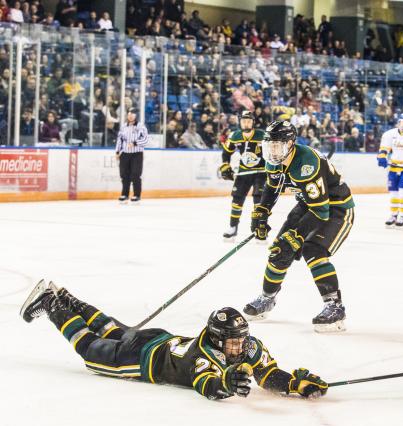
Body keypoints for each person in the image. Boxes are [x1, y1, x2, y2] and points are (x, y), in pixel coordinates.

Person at [19, 280, 327, 401]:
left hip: (157, 339)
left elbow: (268, 372)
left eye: (241, 339)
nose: (240, 346)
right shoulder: (204, 356)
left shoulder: (245, 346)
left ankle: (68, 297)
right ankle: (54, 305)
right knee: (90, 350)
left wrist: (295, 385)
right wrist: (227, 384)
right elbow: (206, 384)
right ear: (218, 340)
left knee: (112, 330)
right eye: (232, 341)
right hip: (140, 360)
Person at [245, 121, 354, 333]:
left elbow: (321, 211)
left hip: (336, 208)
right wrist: (261, 212)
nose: (273, 151)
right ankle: (267, 299)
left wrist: (296, 235)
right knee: (280, 250)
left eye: (278, 145)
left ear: (291, 143)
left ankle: (335, 306)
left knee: (313, 250)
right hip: (308, 205)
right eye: (270, 145)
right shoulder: (274, 160)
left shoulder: (306, 163)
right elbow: (272, 187)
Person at [219, 110, 266, 240]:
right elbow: (226, 152)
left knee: (259, 198)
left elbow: (273, 152)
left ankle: (260, 227)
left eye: (249, 121)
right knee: (237, 199)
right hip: (243, 171)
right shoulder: (235, 136)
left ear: (253, 122)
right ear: (240, 122)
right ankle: (233, 227)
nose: (246, 123)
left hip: (261, 172)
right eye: (244, 121)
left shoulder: (263, 136)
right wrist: (225, 166)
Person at [115, 107, 149, 203]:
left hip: (137, 154)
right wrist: (117, 152)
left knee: (135, 174)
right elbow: (119, 140)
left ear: (136, 115)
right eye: (129, 114)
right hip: (125, 154)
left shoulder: (141, 126)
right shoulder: (123, 127)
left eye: (132, 114)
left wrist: (135, 143)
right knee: (124, 175)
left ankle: (136, 195)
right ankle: (124, 194)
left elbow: (146, 140)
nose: (130, 116)